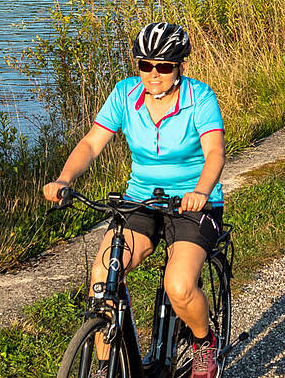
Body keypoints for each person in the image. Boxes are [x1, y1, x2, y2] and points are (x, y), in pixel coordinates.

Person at [44, 22, 225, 378]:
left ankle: (204, 343)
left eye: (163, 66)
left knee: (179, 284)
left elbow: (215, 152)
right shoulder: (125, 94)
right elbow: (92, 143)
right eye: (145, 65)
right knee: (102, 276)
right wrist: (64, 178)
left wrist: (201, 192)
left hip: (193, 205)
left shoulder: (200, 98)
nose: (153, 74)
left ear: (180, 68)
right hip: (141, 200)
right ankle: (106, 368)